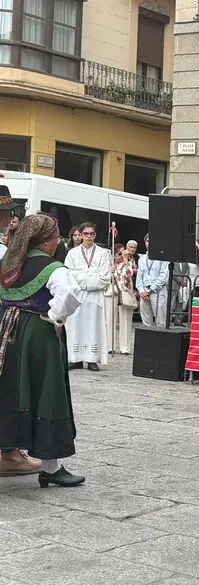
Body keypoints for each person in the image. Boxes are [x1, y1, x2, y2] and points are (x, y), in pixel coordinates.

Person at [0, 214, 85, 487]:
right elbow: (70, 296)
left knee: (10, 388)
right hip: (38, 335)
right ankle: (50, 467)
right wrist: (55, 317)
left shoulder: (9, 263)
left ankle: (8, 451)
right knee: (48, 393)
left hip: (5, 333)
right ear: (47, 241)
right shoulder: (53, 268)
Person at [0, 187, 43, 476]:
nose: (11, 217)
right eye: (8, 212)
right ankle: (10, 453)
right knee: (8, 387)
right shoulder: (3, 251)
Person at [64, 222, 110, 372]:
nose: (89, 236)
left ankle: (92, 359)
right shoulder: (72, 253)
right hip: (78, 296)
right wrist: (90, 279)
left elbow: (104, 277)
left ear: (95, 235)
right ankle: (75, 358)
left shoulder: (103, 253)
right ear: (81, 235)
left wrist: (84, 280)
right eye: (86, 234)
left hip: (95, 297)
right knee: (75, 325)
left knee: (93, 326)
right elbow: (70, 275)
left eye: (92, 234)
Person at [136, 234, 170, 328]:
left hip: (157, 291)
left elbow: (163, 276)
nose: (149, 244)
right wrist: (142, 291)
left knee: (160, 320)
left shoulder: (163, 257)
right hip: (144, 292)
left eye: (152, 241)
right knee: (146, 321)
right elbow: (139, 277)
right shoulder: (142, 259)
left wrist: (150, 290)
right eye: (147, 241)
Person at [112, 244, 136, 354]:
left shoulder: (127, 263)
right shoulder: (111, 265)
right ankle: (110, 346)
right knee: (110, 320)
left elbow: (129, 274)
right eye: (119, 254)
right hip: (113, 292)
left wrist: (126, 260)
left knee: (125, 320)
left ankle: (125, 347)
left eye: (123, 253)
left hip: (125, 293)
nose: (121, 256)